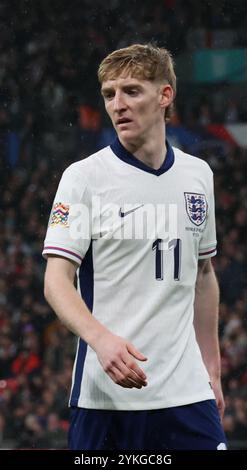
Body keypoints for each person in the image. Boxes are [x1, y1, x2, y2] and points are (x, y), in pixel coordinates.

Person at [43, 44, 227, 450]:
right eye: (109, 94)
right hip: (106, 397)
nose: (118, 104)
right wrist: (101, 340)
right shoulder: (83, 178)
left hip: (187, 394)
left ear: (165, 96)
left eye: (131, 91)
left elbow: (204, 275)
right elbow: (57, 279)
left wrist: (211, 370)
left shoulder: (198, 176)